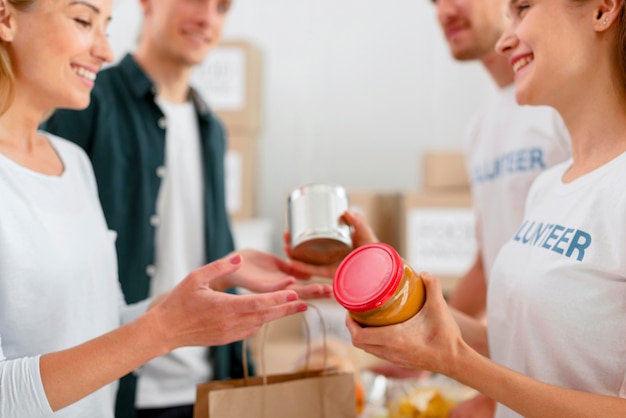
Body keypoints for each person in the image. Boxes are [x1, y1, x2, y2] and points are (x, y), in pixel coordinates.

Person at [0, 0, 328, 417]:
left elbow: (105, 318)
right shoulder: (89, 121)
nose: (104, 50)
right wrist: (161, 331)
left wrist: (219, 282)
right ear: (5, 18)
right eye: (83, 20)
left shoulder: (72, 163)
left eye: (107, 26)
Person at [346, 0, 626, 414]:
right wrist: (395, 283)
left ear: (603, 9)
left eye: (523, 9)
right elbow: (527, 344)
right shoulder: (548, 187)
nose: (504, 41)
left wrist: (457, 365)